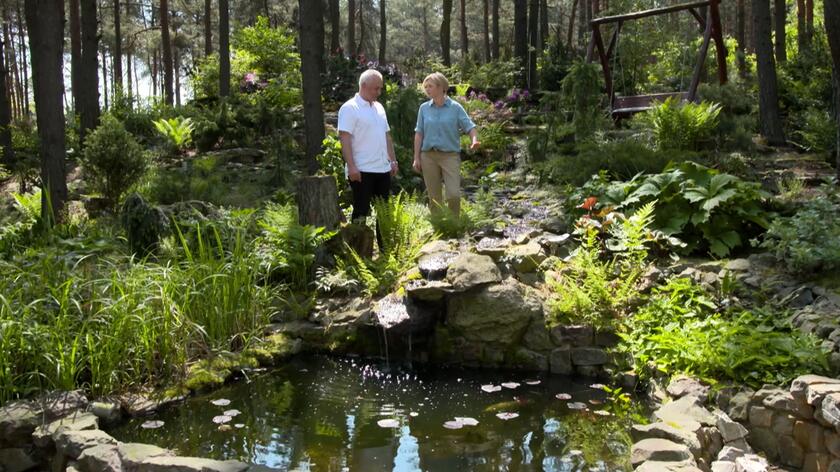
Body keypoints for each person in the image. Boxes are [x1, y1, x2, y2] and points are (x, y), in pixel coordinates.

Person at [337, 69, 399, 235]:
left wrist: (393, 160)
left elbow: (386, 136)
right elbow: (345, 139)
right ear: (363, 86)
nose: (379, 92)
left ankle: (385, 250)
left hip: (382, 168)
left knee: (384, 212)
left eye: (380, 88)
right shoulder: (350, 108)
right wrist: (351, 167)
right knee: (361, 211)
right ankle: (358, 252)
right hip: (362, 170)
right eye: (375, 88)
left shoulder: (379, 107)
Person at [412, 72, 480, 217]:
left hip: (450, 156)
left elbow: (470, 127)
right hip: (428, 156)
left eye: (430, 86)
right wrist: (416, 158)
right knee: (434, 198)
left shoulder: (455, 108)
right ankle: (439, 228)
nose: (427, 89)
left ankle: (454, 225)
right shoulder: (424, 108)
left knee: (453, 195)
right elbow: (419, 133)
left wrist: (474, 140)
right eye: (426, 86)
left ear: (441, 87)